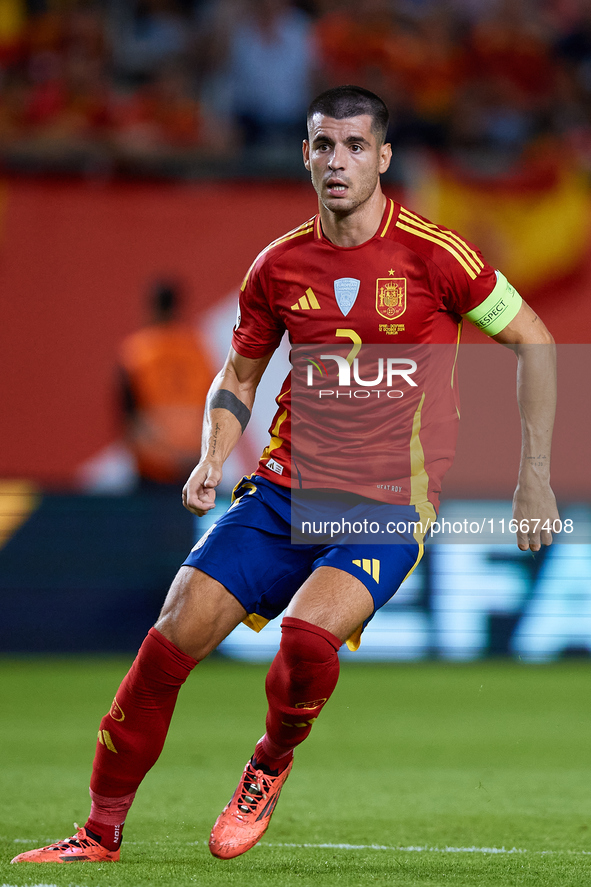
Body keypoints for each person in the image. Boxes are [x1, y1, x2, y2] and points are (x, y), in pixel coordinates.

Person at [12, 85, 558, 865]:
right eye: (323, 146)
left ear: (383, 158)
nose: (338, 162)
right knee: (171, 636)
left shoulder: (437, 255)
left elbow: (534, 340)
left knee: (305, 638)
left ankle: (268, 761)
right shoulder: (277, 265)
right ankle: (97, 834)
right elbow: (237, 376)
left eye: (355, 147)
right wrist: (209, 453)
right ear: (305, 154)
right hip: (279, 493)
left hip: (385, 504)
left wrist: (532, 475)